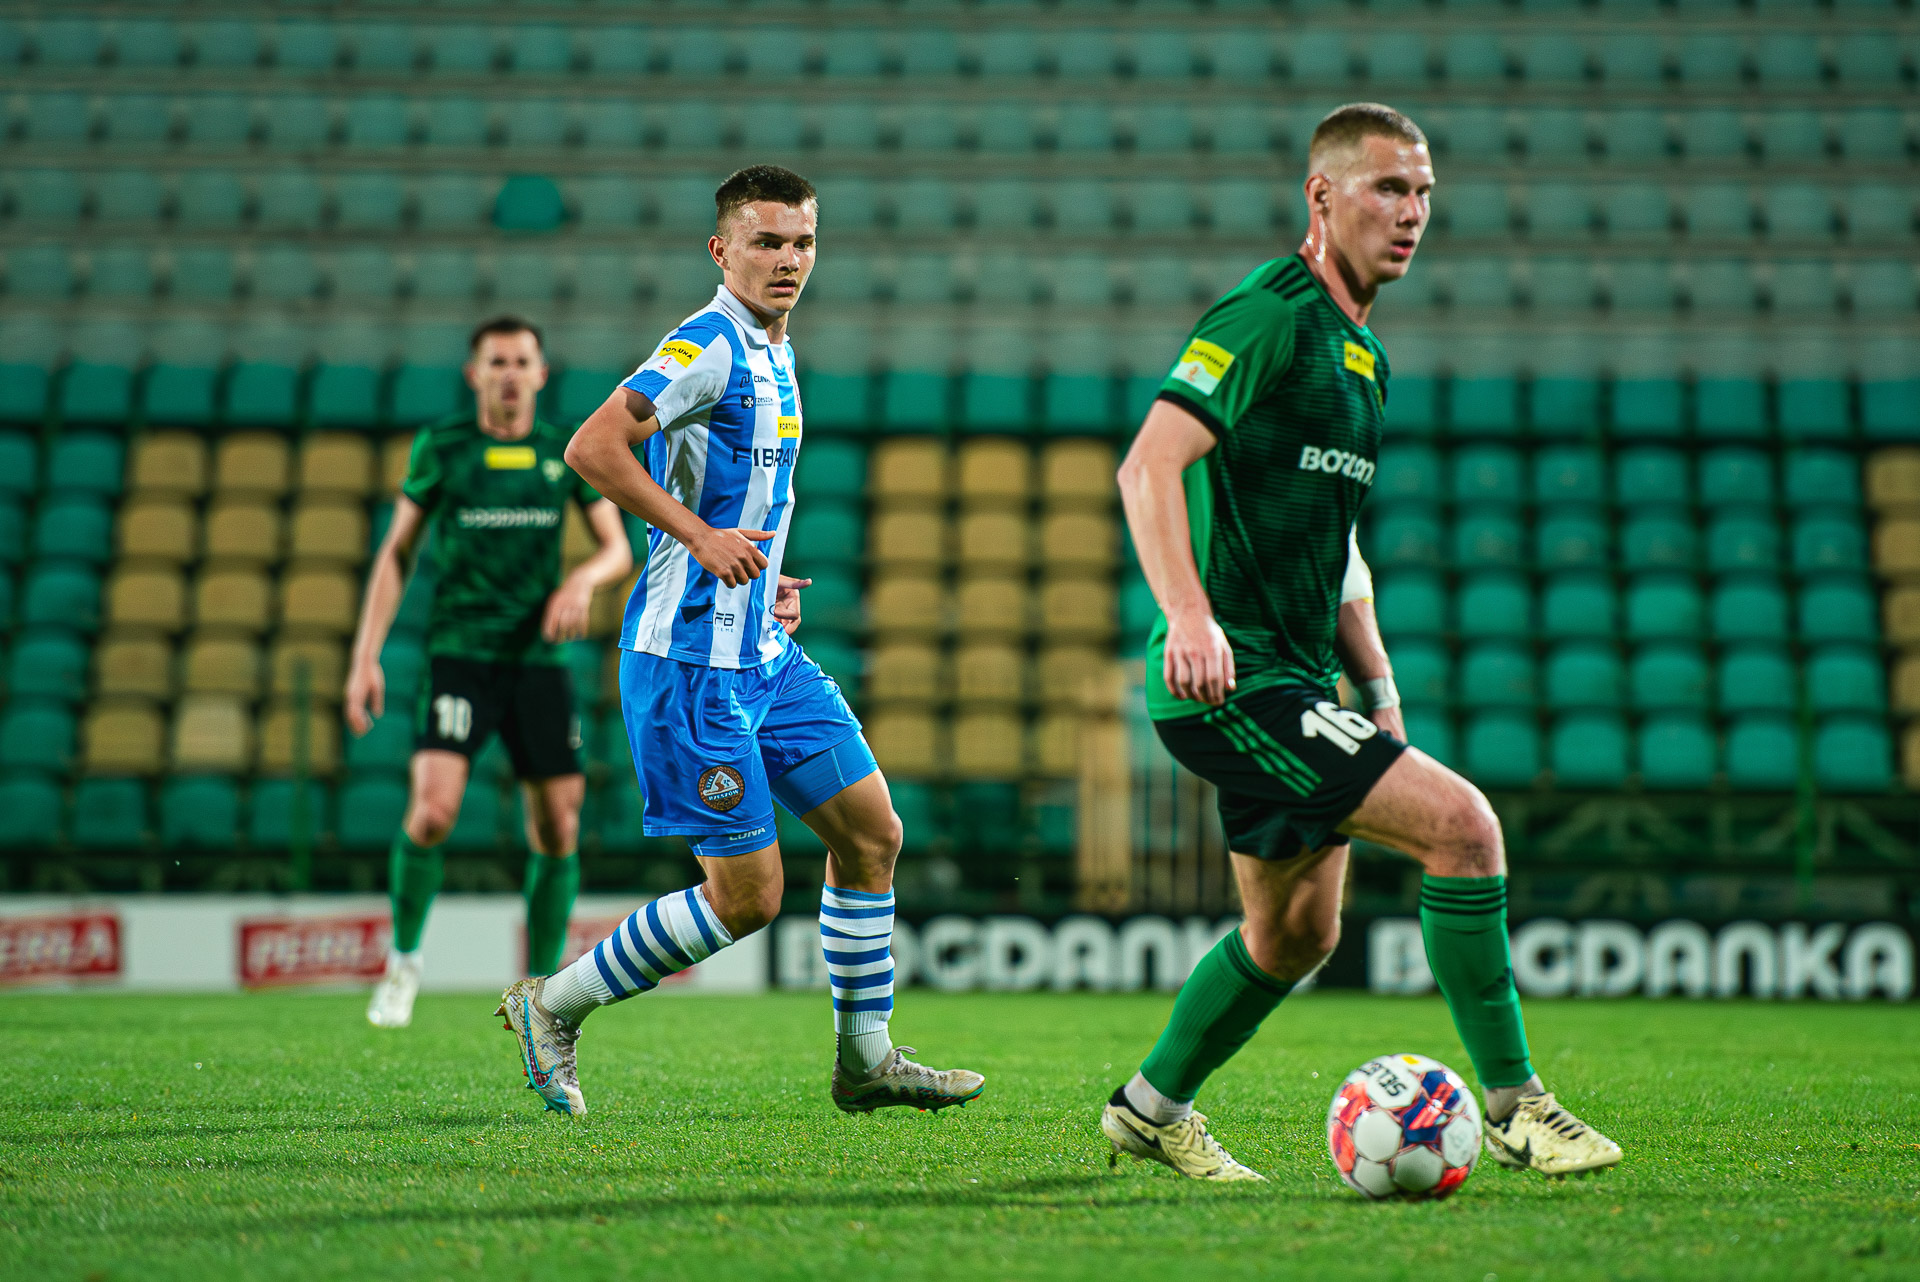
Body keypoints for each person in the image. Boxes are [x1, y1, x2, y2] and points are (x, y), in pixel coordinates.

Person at [1100, 104, 1621, 1181]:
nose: (1411, 212)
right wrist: (1189, 615)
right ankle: (1519, 1106)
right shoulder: (1268, 315)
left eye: (1423, 192)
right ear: (1322, 195)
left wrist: (1376, 683)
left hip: (1298, 679)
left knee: (1296, 935)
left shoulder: (1366, 358)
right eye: (1388, 187)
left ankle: (1149, 1110)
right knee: (1465, 830)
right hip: (1232, 682)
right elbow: (1148, 464)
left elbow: (1336, 547)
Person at [492, 165, 984, 1118]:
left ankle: (867, 1060)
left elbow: (741, 495)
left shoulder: (775, 349)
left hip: (763, 653)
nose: (788, 260)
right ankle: (552, 1005)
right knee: (749, 898)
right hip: (690, 666)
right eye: (766, 242)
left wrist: (766, 578)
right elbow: (591, 447)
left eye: (802, 242)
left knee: (872, 835)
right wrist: (700, 539)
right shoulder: (708, 344)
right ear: (722, 250)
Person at [348, 317, 634, 1029]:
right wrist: (365, 657)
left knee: (558, 828)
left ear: (541, 374)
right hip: (460, 655)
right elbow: (396, 553)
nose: (509, 374)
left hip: (538, 661)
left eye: (521, 361)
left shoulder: (561, 451)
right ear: (474, 374)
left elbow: (616, 550)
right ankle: (403, 963)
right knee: (432, 812)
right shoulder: (443, 447)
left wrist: (581, 581)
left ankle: (539, 994)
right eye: (496, 362)